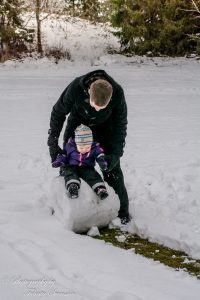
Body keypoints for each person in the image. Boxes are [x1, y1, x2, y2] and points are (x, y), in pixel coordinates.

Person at [47, 69, 130, 224]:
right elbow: (58, 113)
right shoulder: (75, 88)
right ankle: (63, 207)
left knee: (112, 170)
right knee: (71, 165)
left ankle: (121, 211)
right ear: (88, 92)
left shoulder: (118, 92)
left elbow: (120, 125)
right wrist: (53, 143)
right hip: (78, 128)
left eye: (102, 107)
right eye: (95, 105)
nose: (98, 109)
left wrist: (115, 154)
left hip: (106, 129)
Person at [52, 124, 109, 200]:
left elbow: (100, 154)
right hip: (72, 166)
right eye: (81, 147)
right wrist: (59, 161)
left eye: (87, 147)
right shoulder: (70, 146)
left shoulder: (94, 147)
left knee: (93, 175)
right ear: (76, 143)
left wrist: (102, 161)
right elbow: (64, 155)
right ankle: (73, 187)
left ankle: (100, 189)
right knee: (69, 172)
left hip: (87, 167)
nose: (84, 150)